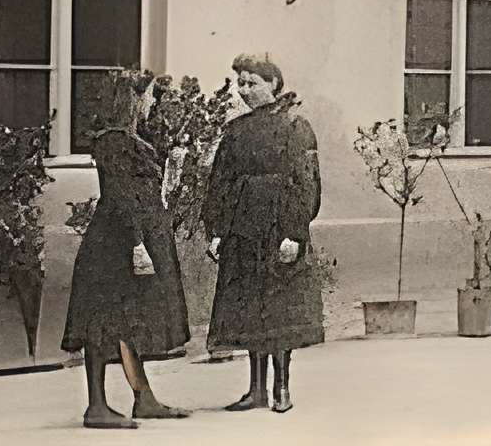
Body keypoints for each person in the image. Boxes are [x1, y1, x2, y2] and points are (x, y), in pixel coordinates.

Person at [62, 68, 190, 430]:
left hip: (129, 240)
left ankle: (143, 397)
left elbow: (144, 191)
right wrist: (137, 244)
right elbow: (118, 196)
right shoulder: (112, 141)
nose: (150, 101)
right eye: (145, 95)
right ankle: (96, 407)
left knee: (126, 323)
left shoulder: (132, 141)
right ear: (129, 100)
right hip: (114, 246)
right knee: (102, 324)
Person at [204, 54, 322, 413]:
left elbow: (307, 184)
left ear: (273, 84)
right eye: (240, 83)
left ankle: (280, 389)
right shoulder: (235, 131)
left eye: (252, 82)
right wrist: (217, 230)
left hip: (278, 229)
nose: (244, 90)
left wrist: (295, 233)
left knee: (279, 308)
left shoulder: (295, 127)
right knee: (250, 308)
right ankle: (254, 390)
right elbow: (220, 184)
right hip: (242, 230)